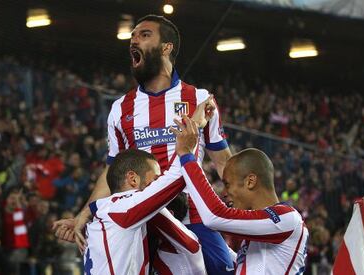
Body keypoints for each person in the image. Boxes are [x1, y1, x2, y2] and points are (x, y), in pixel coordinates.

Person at [54, 14, 234, 274]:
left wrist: (247, 209)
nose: (133, 40)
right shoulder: (120, 108)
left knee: (220, 268)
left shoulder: (199, 98)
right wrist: (83, 215)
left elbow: (223, 161)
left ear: (166, 47)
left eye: (144, 34)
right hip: (142, 217)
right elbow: (113, 171)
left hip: (191, 211)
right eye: (132, 36)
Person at [84, 115, 204, 275]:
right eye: (155, 179)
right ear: (133, 179)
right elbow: (177, 176)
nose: (157, 184)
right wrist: (189, 144)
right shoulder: (124, 208)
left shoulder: (106, 212)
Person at [174, 142, 309, 274]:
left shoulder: (288, 218)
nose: (225, 193)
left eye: (227, 184)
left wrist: (187, 156)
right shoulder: (259, 233)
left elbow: (214, 216)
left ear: (250, 181)